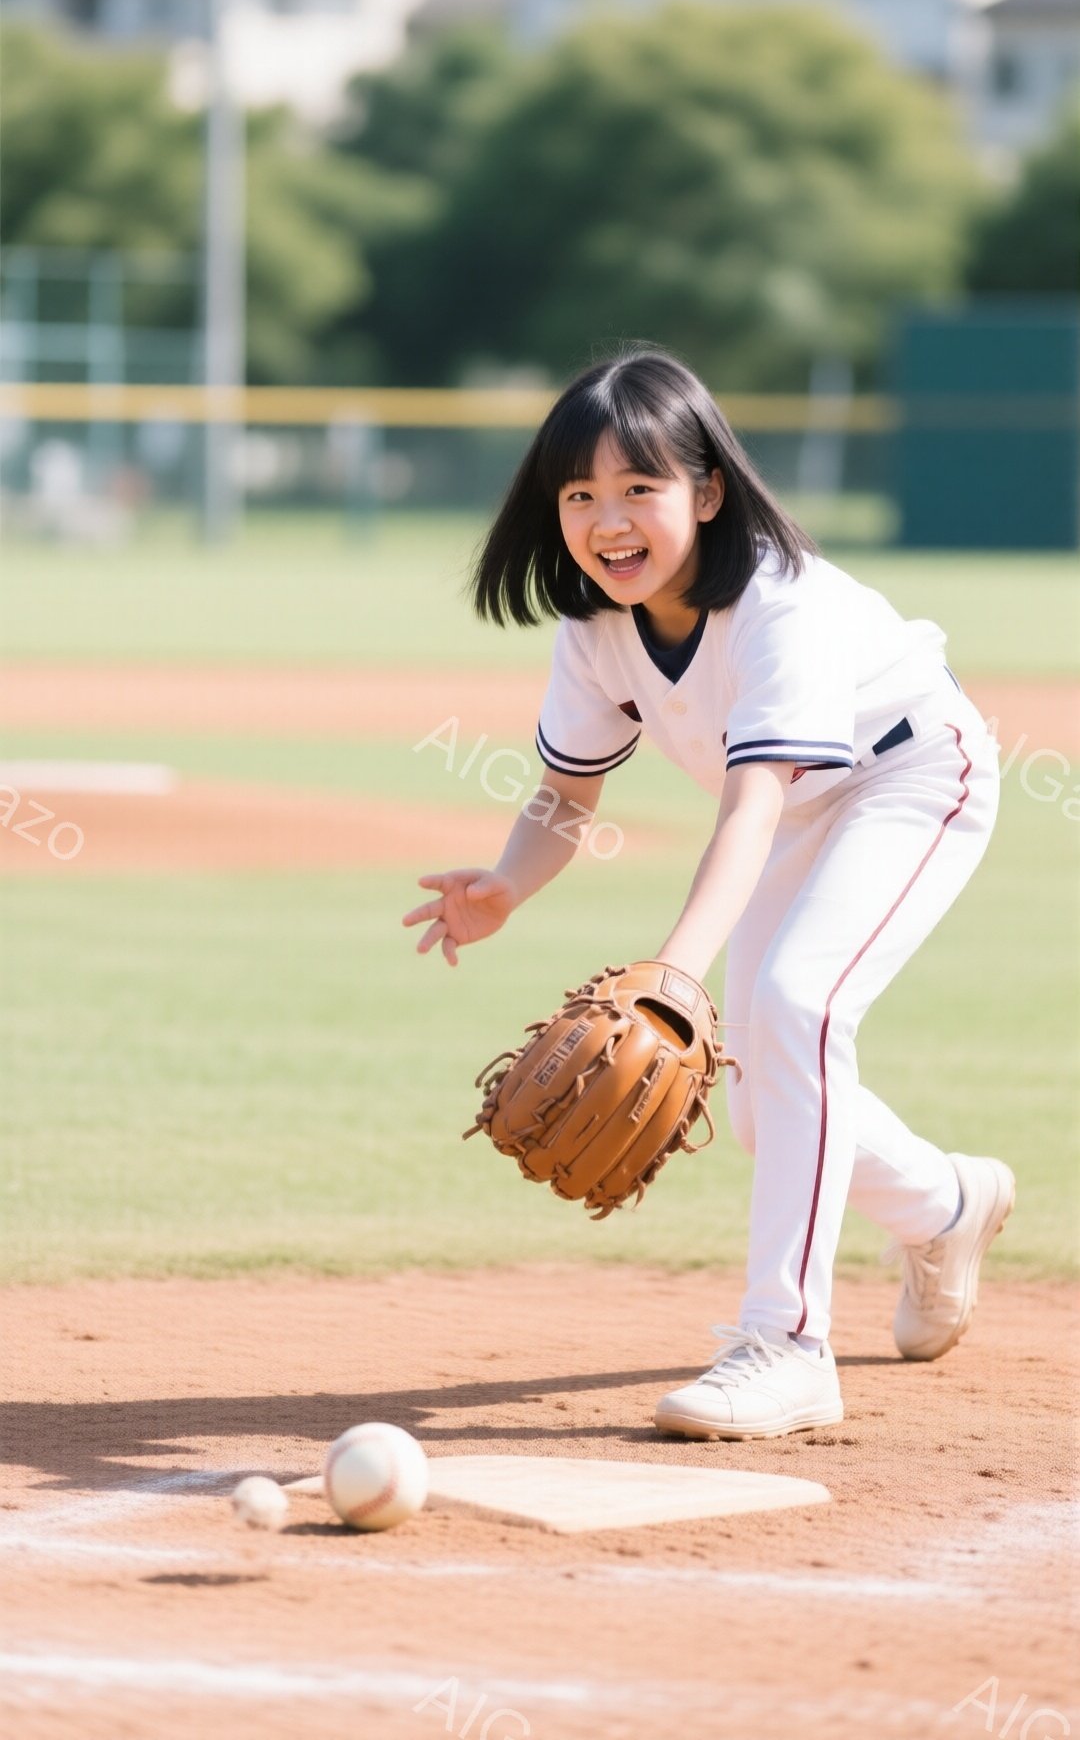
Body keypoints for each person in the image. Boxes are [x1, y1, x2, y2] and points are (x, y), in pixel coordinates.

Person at [402, 346, 1014, 1442]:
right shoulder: (594, 627)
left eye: (640, 486)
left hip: (913, 773)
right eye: (579, 493)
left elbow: (752, 805)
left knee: (793, 1012)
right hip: (803, 804)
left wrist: (672, 974)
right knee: (755, 1102)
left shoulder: (780, 603)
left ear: (708, 490)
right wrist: (507, 883)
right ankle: (948, 1207)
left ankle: (786, 1344)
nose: (607, 518)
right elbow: (564, 798)